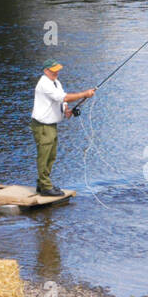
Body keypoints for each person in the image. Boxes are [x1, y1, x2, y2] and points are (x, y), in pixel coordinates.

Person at [31, 62, 94, 197]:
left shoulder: (56, 82)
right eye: (53, 71)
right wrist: (85, 93)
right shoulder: (44, 83)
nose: (56, 73)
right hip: (43, 126)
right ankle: (46, 186)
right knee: (44, 155)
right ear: (45, 70)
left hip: (51, 125)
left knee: (51, 155)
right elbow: (64, 97)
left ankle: (43, 184)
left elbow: (62, 100)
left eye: (57, 70)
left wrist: (66, 110)